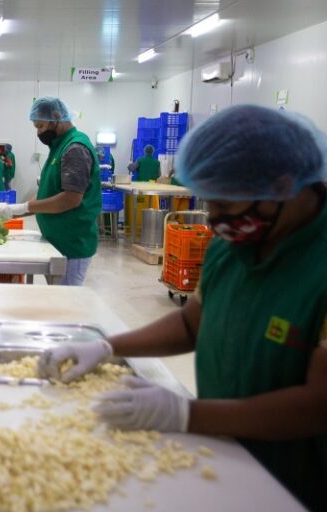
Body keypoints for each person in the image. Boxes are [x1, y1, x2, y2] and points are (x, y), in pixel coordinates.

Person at [38, 105, 327, 511]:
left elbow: (317, 405)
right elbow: (194, 323)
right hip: (225, 457)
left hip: (298, 487)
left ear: (281, 186)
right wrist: (107, 347)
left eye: (225, 206)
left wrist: (186, 415)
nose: (214, 220)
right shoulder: (233, 244)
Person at [0, 97, 101, 285]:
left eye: (41, 126)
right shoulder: (58, 146)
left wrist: (24, 206)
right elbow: (46, 192)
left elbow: (70, 199)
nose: (38, 133)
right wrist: (15, 211)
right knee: (57, 299)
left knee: (66, 305)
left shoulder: (74, 148)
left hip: (71, 244)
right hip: (57, 242)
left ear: (57, 117)